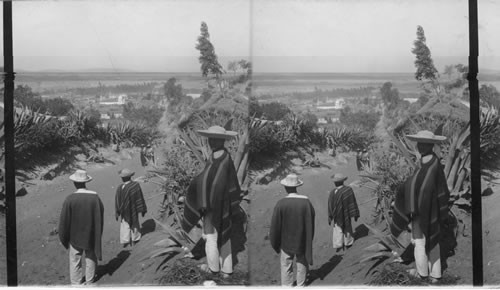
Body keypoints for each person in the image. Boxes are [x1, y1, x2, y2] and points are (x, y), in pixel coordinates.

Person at [181, 125, 241, 278]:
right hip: (213, 205)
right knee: (218, 237)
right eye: (210, 139)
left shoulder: (224, 159)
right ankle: (224, 269)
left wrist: (205, 194)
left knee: (213, 237)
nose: (212, 142)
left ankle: (217, 269)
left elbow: (219, 184)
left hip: (217, 205)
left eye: (215, 139)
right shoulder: (214, 156)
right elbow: (207, 179)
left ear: (222, 141)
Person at [390, 130, 450, 283]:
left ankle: (430, 275)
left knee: (427, 242)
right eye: (419, 143)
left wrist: (416, 198)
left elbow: (434, 188)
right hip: (421, 210)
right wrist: (405, 192)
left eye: (425, 143)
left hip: (429, 210)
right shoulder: (423, 162)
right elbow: (416, 183)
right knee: (423, 242)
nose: (421, 146)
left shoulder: (433, 164)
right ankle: (428, 274)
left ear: (431, 145)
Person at [59, 170, 104, 285]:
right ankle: (90, 281)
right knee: (90, 258)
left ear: (74, 183)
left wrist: (64, 236)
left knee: (75, 260)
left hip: (75, 236)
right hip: (91, 234)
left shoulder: (70, 199)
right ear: (86, 182)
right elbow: (100, 215)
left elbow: (64, 220)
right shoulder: (95, 197)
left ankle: (76, 283)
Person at [270, 174, 315, 287]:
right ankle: (301, 284)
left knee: (286, 265)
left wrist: (275, 241)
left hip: (286, 241)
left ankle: (287, 286)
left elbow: (275, 225)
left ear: (285, 187)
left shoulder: (281, 203)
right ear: (297, 186)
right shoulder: (306, 202)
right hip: (302, 240)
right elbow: (311, 221)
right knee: (301, 263)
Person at [115, 168, 147, 247]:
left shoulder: (120, 187)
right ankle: (134, 239)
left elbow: (117, 200)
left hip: (124, 210)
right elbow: (140, 197)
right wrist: (141, 208)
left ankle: (126, 240)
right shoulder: (135, 185)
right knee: (134, 223)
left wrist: (118, 210)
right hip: (133, 209)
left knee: (125, 224)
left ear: (123, 178)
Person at [328, 173, 360, 250]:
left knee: (337, 229)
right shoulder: (348, 190)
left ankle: (338, 244)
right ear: (343, 181)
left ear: (335, 182)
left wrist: (331, 215)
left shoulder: (332, 192)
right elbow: (352, 202)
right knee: (347, 226)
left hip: (336, 214)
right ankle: (348, 242)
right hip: (346, 214)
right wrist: (354, 213)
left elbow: (330, 205)